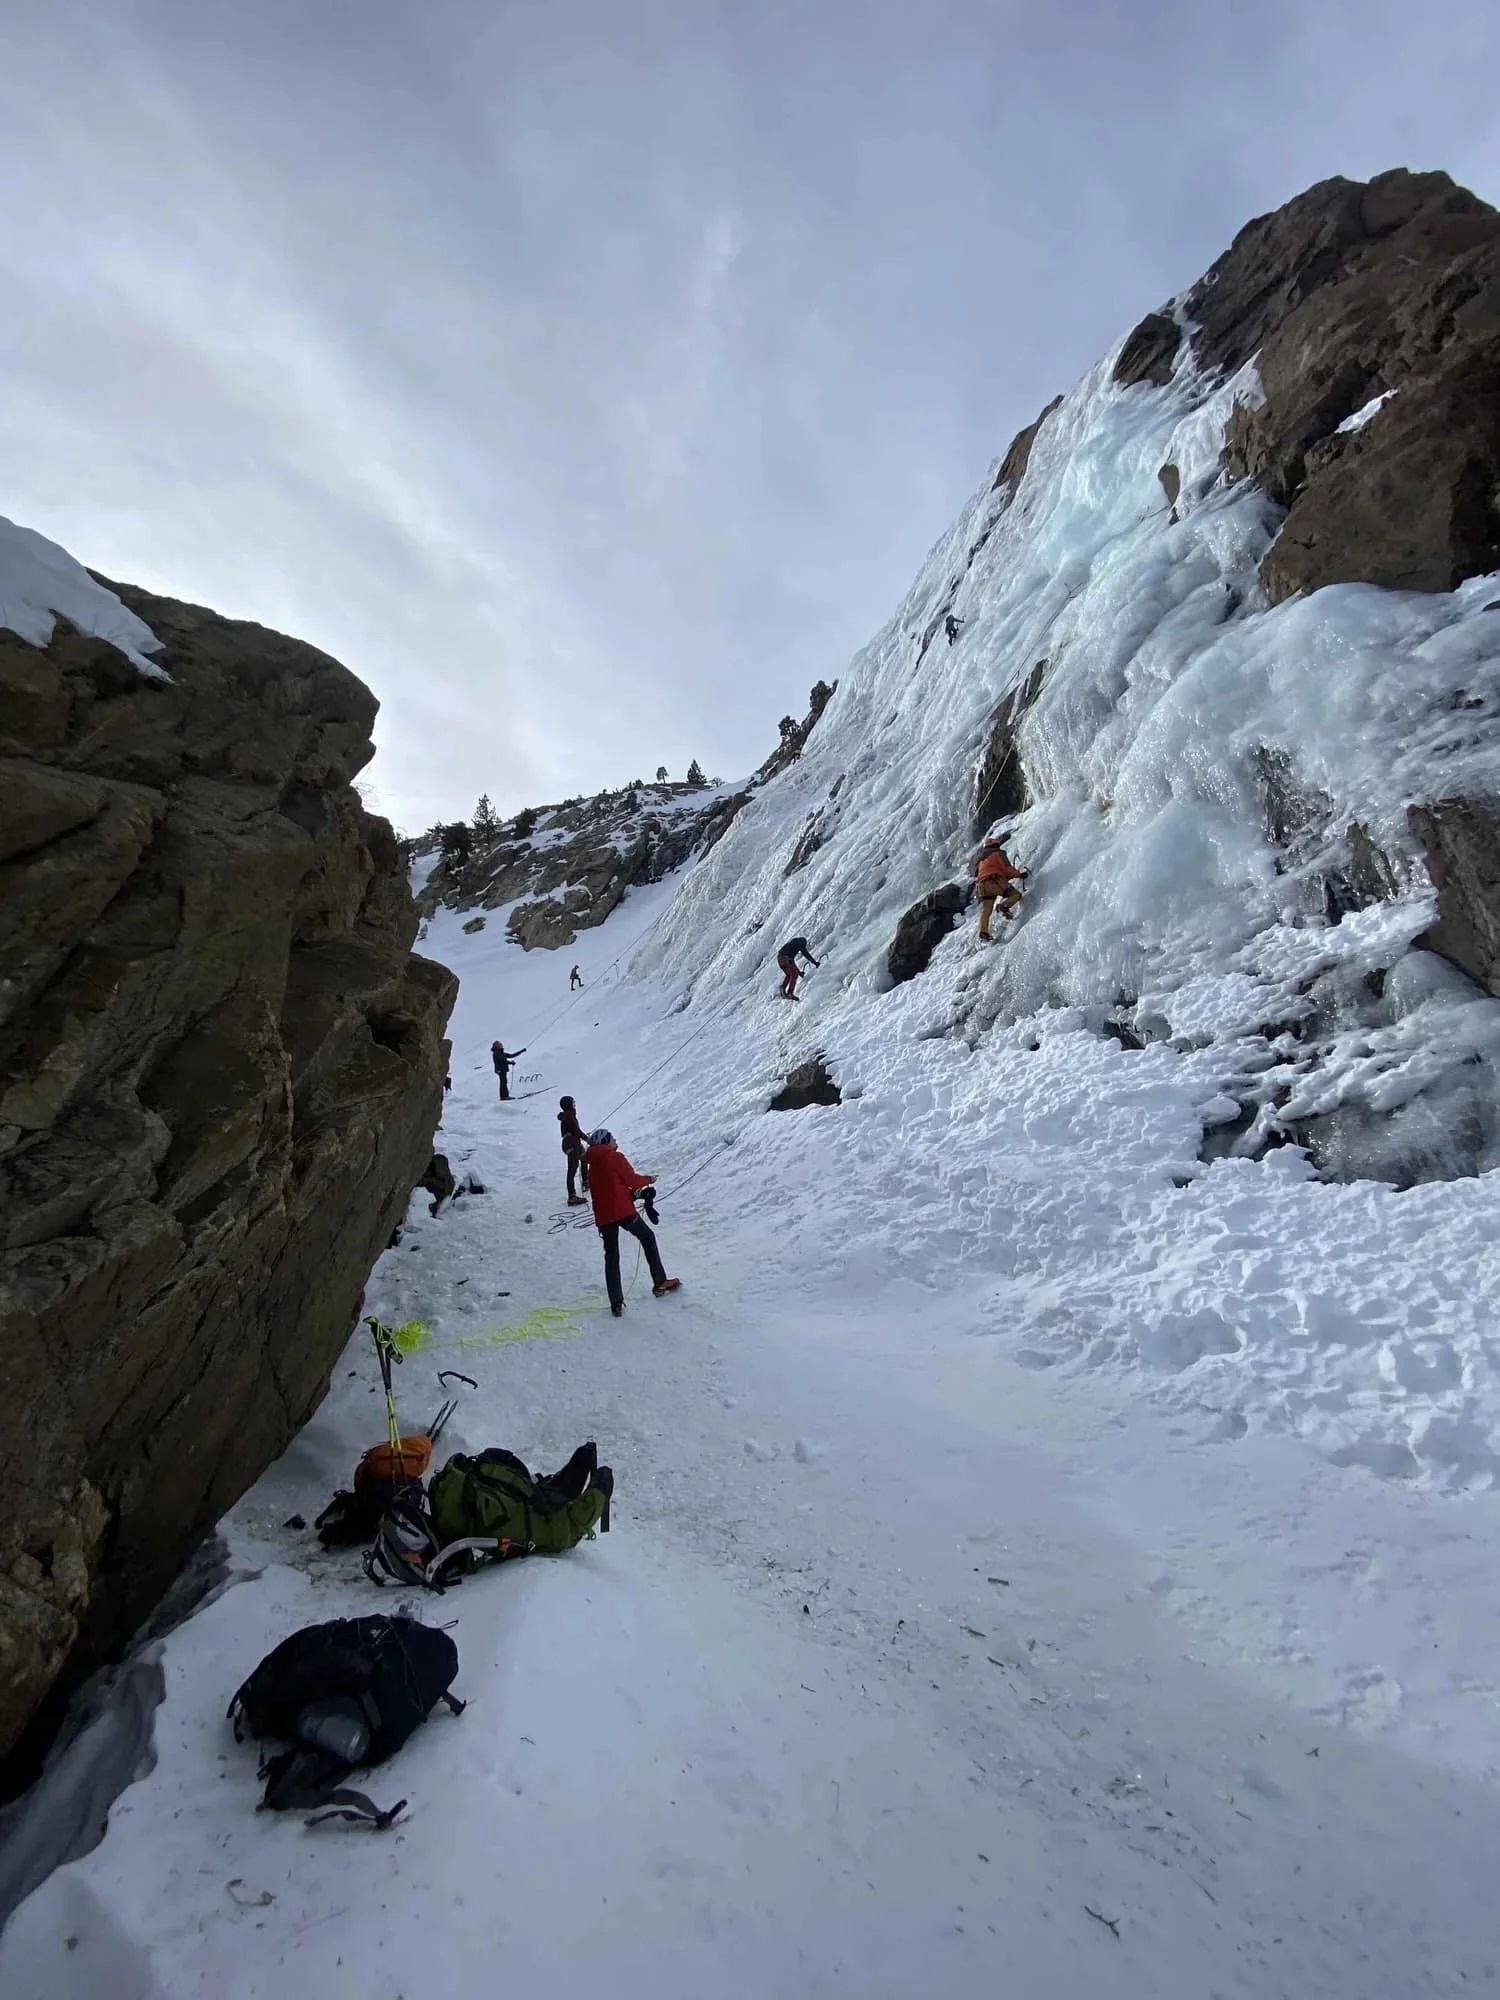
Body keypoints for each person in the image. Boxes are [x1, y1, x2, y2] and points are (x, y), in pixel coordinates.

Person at [584, 1129, 680, 1317]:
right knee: (648, 1237)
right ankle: (659, 1282)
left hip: (604, 1216)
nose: (615, 1140)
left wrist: (633, 1194)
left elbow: (611, 1188)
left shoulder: (592, 1164)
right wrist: (649, 1180)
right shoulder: (614, 1157)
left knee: (611, 1256)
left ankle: (616, 1303)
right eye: (612, 1138)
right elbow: (632, 1180)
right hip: (622, 1211)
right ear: (605, 1141)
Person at [975, 837, 1025, 941]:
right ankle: (1004, 906)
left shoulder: (981, 859)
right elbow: (1006, 869)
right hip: (994, 881)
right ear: (995, 845)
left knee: (986, 908)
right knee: (1016, 895)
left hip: (981, 887)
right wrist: (1019, 874)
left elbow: (990, 871)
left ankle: (983, 931)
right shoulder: (998, 853)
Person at [558, 1094, 590, 1206]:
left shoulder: (568, 1115)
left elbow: (575, 1131)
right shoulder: (569, 1115)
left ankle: (586, 1182)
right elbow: (576, 1131)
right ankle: (571, 1197)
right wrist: (587, 1139)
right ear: (568, 1105)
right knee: (572, 1168)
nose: (574, 1105)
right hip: (572, 1144)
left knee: (584, 1158)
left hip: (573, 1143)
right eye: (572, 1103)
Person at [776, 935, 820, 1000]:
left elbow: (791, 962)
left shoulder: (792, 944)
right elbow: (806, 954)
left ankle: (783, 989)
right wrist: (815, 963)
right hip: (786, 958)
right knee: (794, 975)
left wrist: (799, 973)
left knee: (789, 974)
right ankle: (790, 993)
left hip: (779, 958)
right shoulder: (800, 944)